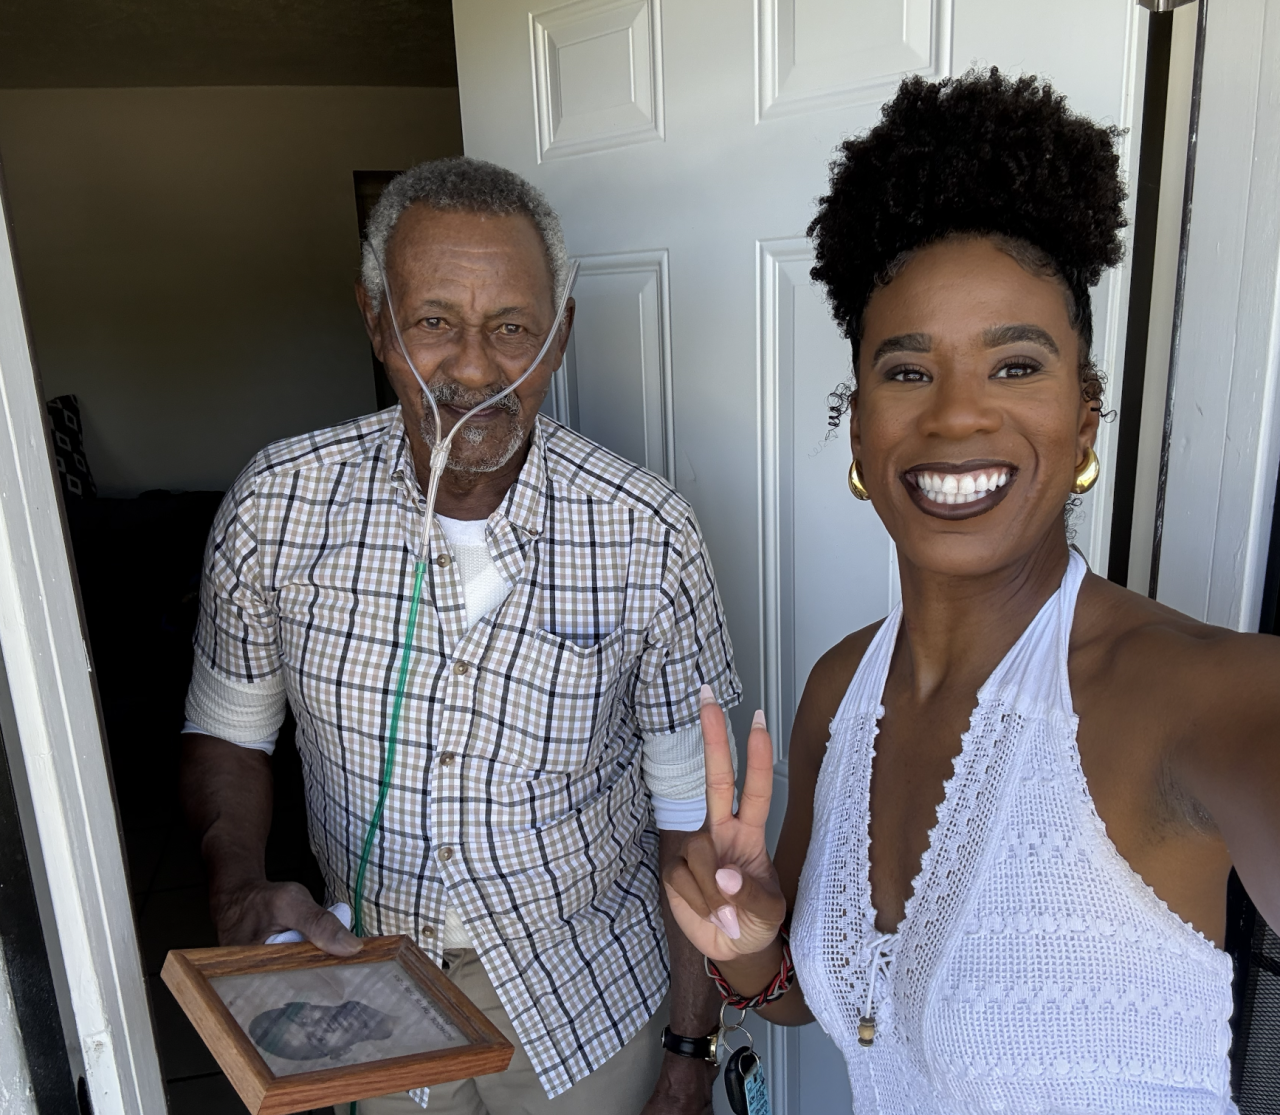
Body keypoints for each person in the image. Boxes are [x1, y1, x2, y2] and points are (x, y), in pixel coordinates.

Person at [664, 70, 1280, 1114]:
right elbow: (813, 1006)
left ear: (1084, 422)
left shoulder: (1202, 692)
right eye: (906, 372)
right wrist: (751, 944)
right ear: (856, 427)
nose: (954, 419)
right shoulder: (837, 690)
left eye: (1014, 367)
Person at [180, 157, 740, 1115]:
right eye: (435, 320)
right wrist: (238, 883)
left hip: (585, 1002)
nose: (477, 367)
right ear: (375, 322)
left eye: (512, 327)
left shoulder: (649, 532)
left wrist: (691, 1046)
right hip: (368, 984)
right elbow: (229, 732)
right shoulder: (276, 504)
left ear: (558, 336)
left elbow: (693, 818)